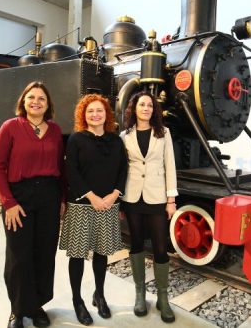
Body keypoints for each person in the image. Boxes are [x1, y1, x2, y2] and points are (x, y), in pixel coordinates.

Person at [0, 81, 65, 328]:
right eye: (31, 97)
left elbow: (61, 168)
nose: (36, 101)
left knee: (44, 253)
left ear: (48, 104)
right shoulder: (10, 127)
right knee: (19, 255)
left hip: (49, 196)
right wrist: (8, 202)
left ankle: (37, 305)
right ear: (23, 101)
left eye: (41, 98)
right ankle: (18, 310)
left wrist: (62, 199)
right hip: (19, 197)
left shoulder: (54, 130)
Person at [58, 93, 128, 326]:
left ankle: (99, 294)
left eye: (99, 110)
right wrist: (92, 197)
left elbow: (123, 171)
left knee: (102, 252)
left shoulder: (116, 141)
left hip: (108, 204)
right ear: (83, 115)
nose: (95, 114)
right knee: (77, 255)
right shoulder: (76, 139)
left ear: (106, 114)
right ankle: (78, 301)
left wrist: (113, 195)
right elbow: (72, 172)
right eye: (90, 111)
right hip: (81, 205)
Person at [120, 91, 178, 323]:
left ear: (154, 110)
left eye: (150, 106)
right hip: (133, 196)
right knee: (135, 244)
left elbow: (170, 166)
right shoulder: (124, 135)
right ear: (134, 109)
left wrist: (171, 199)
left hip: (156, 197)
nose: (146, 108)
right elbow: (121, 168)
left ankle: (163, 298)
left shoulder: (164, 133)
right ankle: (140, 294)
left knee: (160, 247)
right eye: (141, 105)